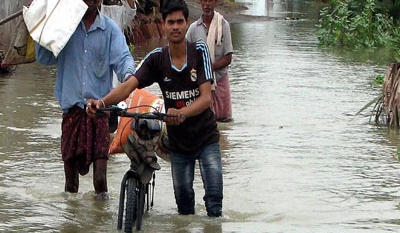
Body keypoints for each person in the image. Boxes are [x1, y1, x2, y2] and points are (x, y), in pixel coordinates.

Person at [87, 0, 224, 217]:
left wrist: (180, 113)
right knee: (184, 209)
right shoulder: (156, 59)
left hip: (206, 137)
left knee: (215, 203)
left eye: (180, 21)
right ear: (164, 24)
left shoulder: (199, 51)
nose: (176, 26)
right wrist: (102, 103)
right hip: (178, 143)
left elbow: (206, 99)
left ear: (187, 23)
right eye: (171, 22)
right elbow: (128, 86)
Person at [35, 0, 136, 197]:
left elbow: (124, 60)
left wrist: (130, 78)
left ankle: (99, 222)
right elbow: (45, 58)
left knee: (100, 178)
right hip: (71, 112)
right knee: (71, 183)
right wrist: (42, 26)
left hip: (99, 111)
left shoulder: (110, 30)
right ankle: (72, 221)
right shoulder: (65, 28)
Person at [186, 0, 233, 122]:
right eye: (204, 0)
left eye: (210, 0)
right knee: (202, 120)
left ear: (215, 2)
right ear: (200, 2)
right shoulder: (193, 29)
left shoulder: (224, 25)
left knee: (224, 121)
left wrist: (208, 68)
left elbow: (228, 58)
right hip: (200, 83)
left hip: (220, 81)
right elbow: (185, 54)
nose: (207, 4)